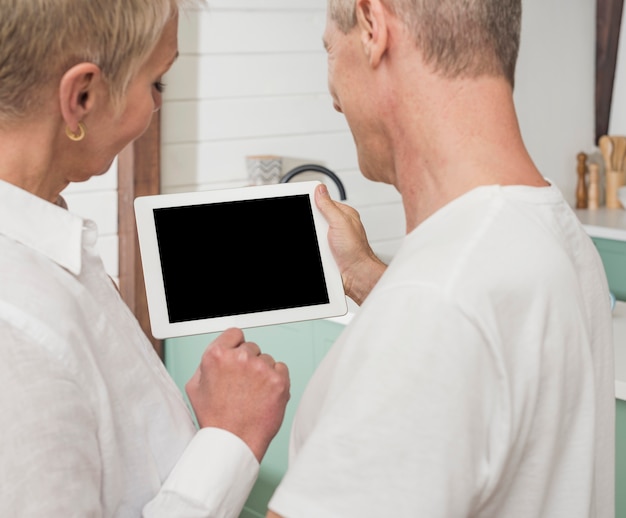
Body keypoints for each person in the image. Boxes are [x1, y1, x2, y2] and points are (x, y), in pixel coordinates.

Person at [267, 0, 616, 516]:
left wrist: (226, 440)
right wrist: (365, 275)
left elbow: (443, 316)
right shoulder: (553, 234)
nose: (334, 98)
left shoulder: (436, 302)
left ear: (371, 26)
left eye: (328, 50)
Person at [0, 1, 290, 516]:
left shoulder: (57, 264)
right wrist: (230, 438)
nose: (156, 104)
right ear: (81, 96)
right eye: (158, 83)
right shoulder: (16, 335)